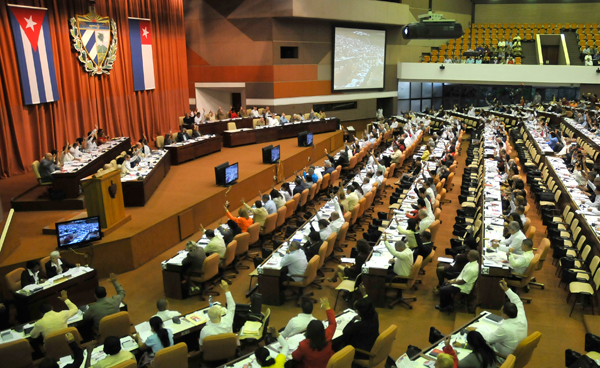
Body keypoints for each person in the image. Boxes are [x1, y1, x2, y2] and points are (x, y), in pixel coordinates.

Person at [472, 279, 527, 356]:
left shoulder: (505, 328)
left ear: (505, 315)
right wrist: (506, 289)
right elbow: (517, 300)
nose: (500, 312)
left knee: (476, 340)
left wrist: (476, 330)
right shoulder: (520, 314)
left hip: (501, 355)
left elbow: (488, 339)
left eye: (501, 312)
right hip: (512, 347)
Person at [333, 285, 379, 359]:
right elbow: (370, 304)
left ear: (361, 312)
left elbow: (345, 331)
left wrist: (352, 320)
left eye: (357, 310)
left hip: (360, 352)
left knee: (337, 342)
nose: (355, 311)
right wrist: (364, 293)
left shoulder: (358, 325)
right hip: (371, 342)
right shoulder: (374, 315)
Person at [291, 298, 336, 368]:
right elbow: (333, 323)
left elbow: (295, 357)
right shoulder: (328, 334)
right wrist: (327, 307)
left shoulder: (304, 345)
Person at [199, 280, 236, 347]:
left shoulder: (205, 330)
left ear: (208, 317)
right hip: (228, 349)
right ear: (220, 315)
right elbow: (232, 306)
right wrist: (226, 290)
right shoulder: (228, 321)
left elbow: (201, 345)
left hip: (211, 355)